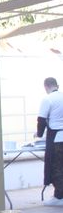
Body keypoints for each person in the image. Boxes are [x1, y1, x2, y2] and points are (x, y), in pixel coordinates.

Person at [37, 76, 63, 205]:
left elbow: (41, 119)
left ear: (46, 86)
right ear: (57, 85)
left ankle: (59, 197)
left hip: (55, 138)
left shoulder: (47, 99)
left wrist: (39, 134)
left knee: (55, 167)